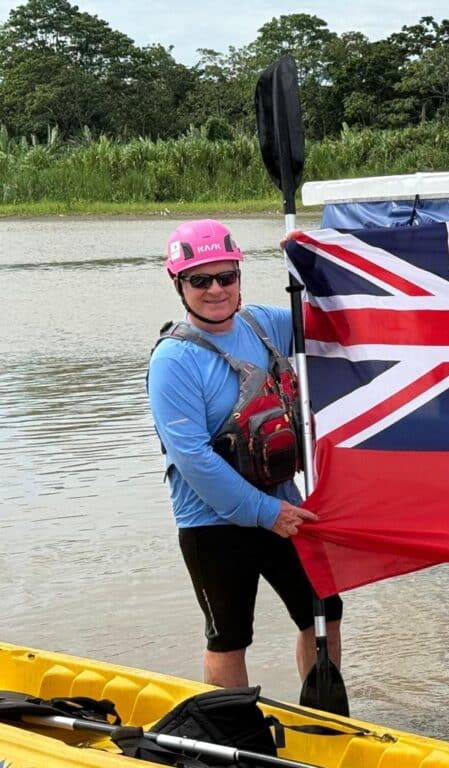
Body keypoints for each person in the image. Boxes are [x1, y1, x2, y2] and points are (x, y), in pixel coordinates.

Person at [147, 218, 343, 688]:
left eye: (226, 277)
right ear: (178, 284)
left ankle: (321, 722)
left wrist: (311, 264)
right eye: (200, 280)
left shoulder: (265, 325)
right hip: (214, 523)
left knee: (323, 611)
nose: (215, 290)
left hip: (283, 504)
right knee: (230, 636)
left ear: (240, 276)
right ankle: (233, 736)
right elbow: (194, 458)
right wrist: (263, 512)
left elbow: (334, 322)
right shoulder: (172, 361)